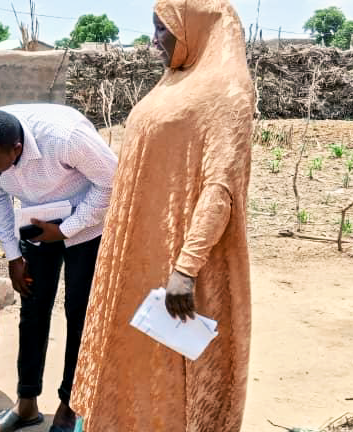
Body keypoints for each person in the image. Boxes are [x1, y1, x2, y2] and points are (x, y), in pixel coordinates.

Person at [69, 0, 254, 431]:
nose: (154, 40)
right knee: (131, 358)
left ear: (195, 27)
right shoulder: (176, 80)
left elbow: (220, 188)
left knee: (170, 371)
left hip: (176, 264)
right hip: (137, 255)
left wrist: (185, 270)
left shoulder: (228, 92)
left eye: (162, 28)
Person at [0, 106, 117, 432]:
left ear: (16, 149)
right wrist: (13, 256)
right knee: (33, 309)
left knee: (79, 313)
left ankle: (70, 405)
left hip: (87, 226)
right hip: (36, 226)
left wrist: (66, 229)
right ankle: (26, 403)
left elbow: (112, 181)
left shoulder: (65, 137)